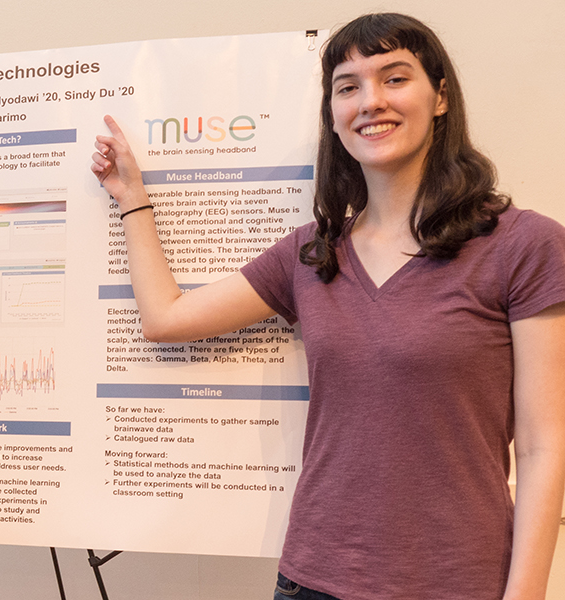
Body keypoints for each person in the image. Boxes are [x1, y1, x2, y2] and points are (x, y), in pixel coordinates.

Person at [91, 13, 565, 600]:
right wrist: (133, 199)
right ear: (333, 115)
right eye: (349, 87)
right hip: (312, 581)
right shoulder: (313, 254)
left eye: (394, 78)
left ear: (440, 96)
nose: (370, 101)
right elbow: (166, 319)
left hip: (458, 582)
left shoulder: (523, 245)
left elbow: (545, 447)